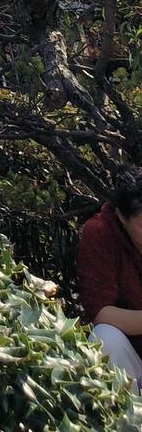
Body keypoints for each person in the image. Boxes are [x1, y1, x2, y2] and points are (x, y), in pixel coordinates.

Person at [78, 164, 142, 387]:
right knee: (105, 338)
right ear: (121, 216)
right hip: (132, 359)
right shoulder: (100, 232)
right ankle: (128, 419)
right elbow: (101, 312)